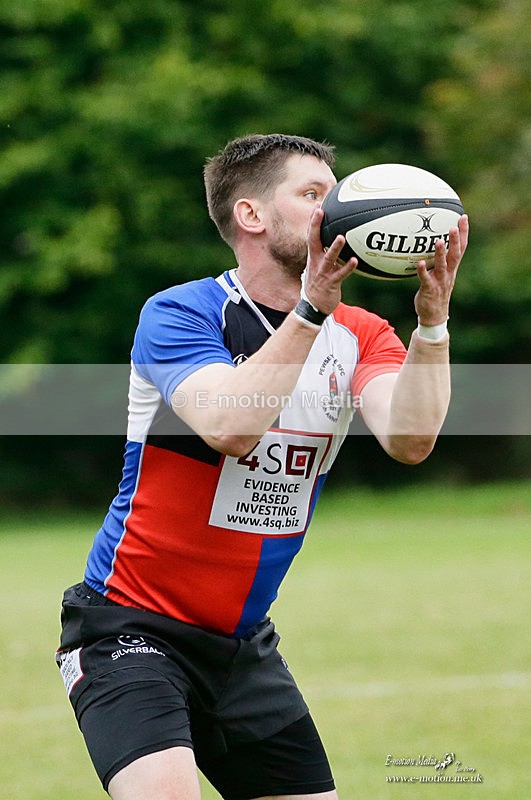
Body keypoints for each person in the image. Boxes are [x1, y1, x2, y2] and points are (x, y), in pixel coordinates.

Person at [56, 133, 468, 800]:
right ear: (250, 215)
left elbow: (409, 438)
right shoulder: (182, 313)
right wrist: (309, 308)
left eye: (334, 198)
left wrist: (431, 323)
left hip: (242, 647)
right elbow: (229, 425)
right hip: (129, 630)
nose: (329, 212)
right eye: (311, 196)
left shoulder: (361, 332)